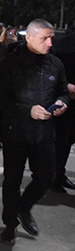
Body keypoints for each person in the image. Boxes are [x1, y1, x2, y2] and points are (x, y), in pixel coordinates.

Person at [0, 19, 69, 245]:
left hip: (45, 134)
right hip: (15, 133)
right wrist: (27, 111)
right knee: (12, 181)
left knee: (46, 178)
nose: (50, 43)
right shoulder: (10, 64)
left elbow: (62, 90)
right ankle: (10, 224)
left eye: (52, 37)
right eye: (45, 38)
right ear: (30, 37)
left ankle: (23, 209)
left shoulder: (55, 64)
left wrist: (62, 103)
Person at [50, 25, 75, 192]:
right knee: (62, 141)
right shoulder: (64, 45)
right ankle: (55, 176)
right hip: (67, 102)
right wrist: (66, 86)